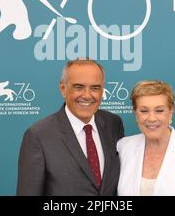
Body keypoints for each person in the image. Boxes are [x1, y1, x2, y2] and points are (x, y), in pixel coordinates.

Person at [16, 58, 124, 195]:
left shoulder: (113, 124)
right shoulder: (38, 136)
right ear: (63, 88)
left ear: (102, 90)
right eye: (79, 87)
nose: (87, 95)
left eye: (95, 88)